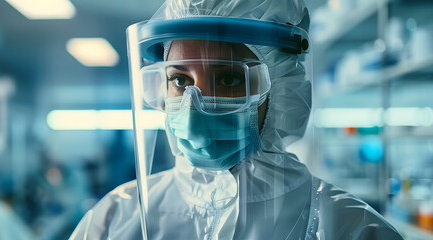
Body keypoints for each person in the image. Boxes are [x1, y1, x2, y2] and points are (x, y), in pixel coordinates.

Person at [70, 0, 403, 239]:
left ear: (281, 91)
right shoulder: (114, 220)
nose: (193, 106)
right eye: (180, 81)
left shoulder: (350, 229)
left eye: (229, 79)